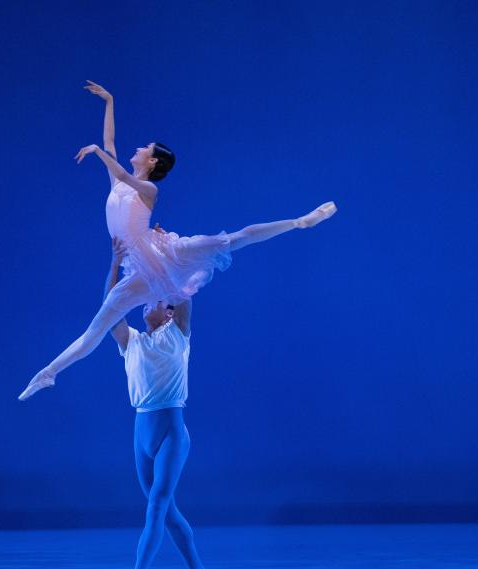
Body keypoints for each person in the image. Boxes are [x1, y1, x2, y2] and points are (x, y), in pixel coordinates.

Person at [18, 81, 337, 401]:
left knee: (232, 239)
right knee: (97, 327)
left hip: (164, 252)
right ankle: (47, 374)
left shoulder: (149, 190)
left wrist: (98, 153)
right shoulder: (117, 183)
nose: (139, 148)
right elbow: (110, 142)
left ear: (153, 161)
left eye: (145, 148)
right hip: (138, 268)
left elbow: (120, 168)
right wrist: (109, 102)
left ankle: (300, 221)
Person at [104, 236, 209, 569]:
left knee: (157, 508)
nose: (151, 300)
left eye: (160, 300)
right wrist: (115, 264)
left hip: (171, 434)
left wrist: (165, 255)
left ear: (169, 313)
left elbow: (181, 294)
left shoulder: (178, 334)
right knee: (167, 512)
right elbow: (110, 309)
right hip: (141, 434)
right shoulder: (131, 342)